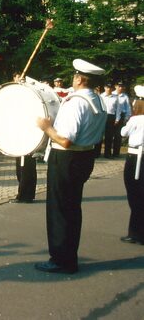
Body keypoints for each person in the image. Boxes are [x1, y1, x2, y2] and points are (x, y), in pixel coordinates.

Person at [35, 59, 106, 274]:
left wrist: (47, 128)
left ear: (79, 78)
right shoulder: (98, 100)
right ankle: (68, 256)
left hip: (66, 158)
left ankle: (61, 259)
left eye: (74, 76)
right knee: (72, 209)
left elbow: (65, 139)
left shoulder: (76, 102)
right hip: (85, 157)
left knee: (60, 210)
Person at [119, 85, 144, 245]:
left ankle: (136, 233)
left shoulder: (135, 119)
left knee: (135, 196)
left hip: (135, 157)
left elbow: (123, 133)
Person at [10, 72, 37, 203]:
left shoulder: (30, 94)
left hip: (29, 135)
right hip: (18, 135)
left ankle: (25, 195)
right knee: (21, 167)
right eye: (18, 78)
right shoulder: (13, 94)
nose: (20, 80)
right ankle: (25, 194)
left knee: (26, 166)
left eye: (23, 78)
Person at [99, 82, 119, 158]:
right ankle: (97, 153)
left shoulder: (116, 97)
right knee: (99, 135)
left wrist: (117, 119)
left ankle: (107, 154)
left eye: (110, 88)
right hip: (102, 116)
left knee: (109, 136)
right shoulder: (101, 96)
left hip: (111, 117)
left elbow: (118, 109)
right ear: (104, 88)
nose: (109, 89)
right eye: (107, 87)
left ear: (112, 89)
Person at [113, 82, 131, 157]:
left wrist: (126, 118)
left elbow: (128, 108)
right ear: (115, 86)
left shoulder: (125, 96)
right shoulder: (112, 94)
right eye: (119, 86)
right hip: (112, 114)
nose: (120, 88)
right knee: (109, 134)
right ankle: (107, 153)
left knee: (118, 135)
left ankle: (116, 153)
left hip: (121, 115)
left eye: (122, 86)